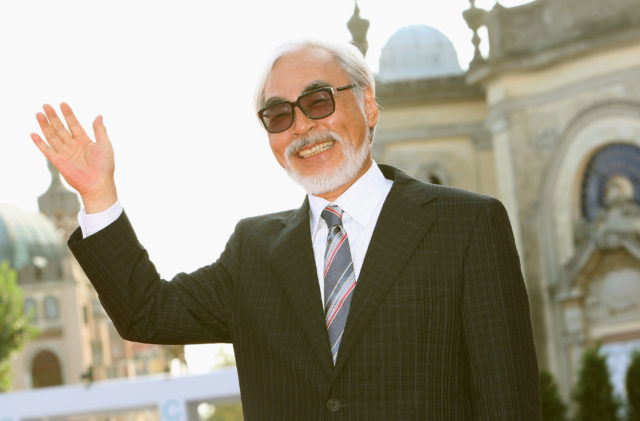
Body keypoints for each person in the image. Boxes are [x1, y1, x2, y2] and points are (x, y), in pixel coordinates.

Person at [31, 40, 541, 420]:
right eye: (278, 115)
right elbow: (147, 312)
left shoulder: (466, 226)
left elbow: (508, 402)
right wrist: (98, 194)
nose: (300, 126)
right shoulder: (253, 252)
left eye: (318, 102)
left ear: (368, 106)